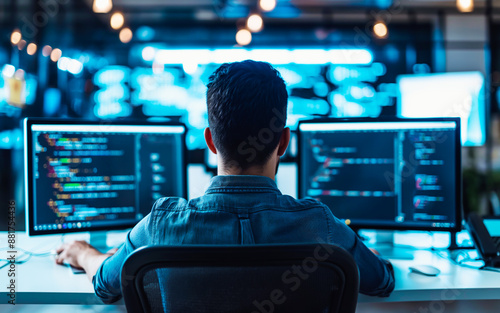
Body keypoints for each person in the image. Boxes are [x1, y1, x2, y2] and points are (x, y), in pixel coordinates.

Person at [56, 60, 395, 303]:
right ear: (283, 142)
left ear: (211, 142)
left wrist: (84, 253)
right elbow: (381, 281)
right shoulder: (321, 225)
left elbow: (105, 284)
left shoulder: (160, 225)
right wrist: (364, 250)